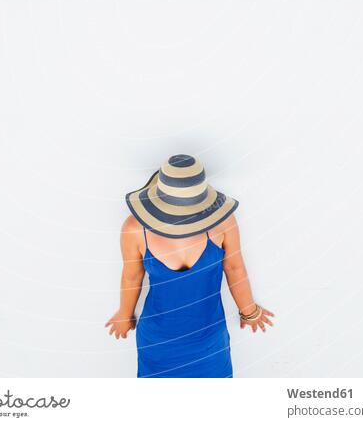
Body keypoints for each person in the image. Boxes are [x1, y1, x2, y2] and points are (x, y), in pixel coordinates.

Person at [106, 154, 274, 378]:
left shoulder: (222, 222)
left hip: (209, 342)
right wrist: (124, 315)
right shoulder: (135, 229)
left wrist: (249, 311)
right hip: (158, 343)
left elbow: (234, 268)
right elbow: (131, 276)